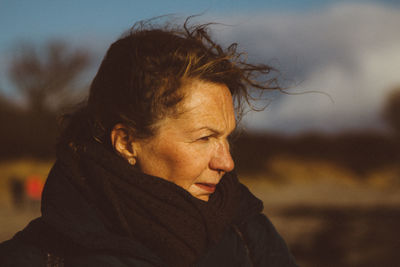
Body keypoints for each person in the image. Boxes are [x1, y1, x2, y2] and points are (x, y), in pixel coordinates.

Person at [0, 18, 297, 267]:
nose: (227, 162)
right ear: (127, 143)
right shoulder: (37, 258)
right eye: (205, 138)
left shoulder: (250, 236)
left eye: (225, 137)